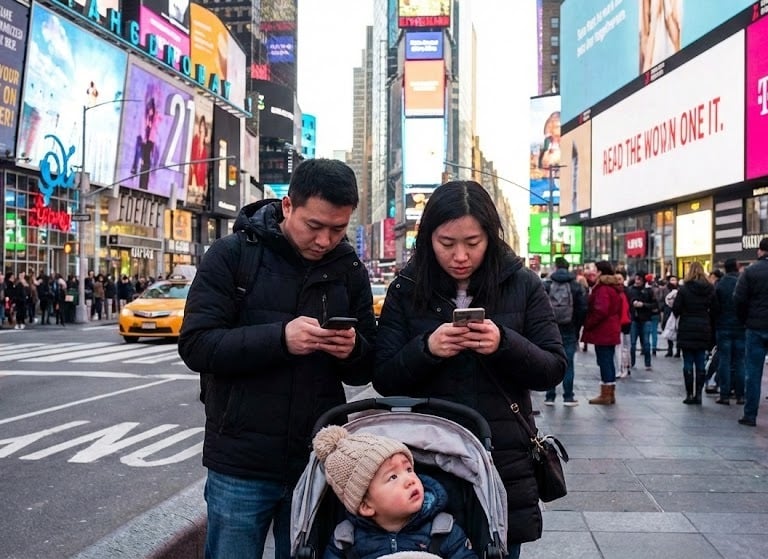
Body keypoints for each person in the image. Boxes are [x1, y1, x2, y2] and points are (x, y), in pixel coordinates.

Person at [178, 158, 377, 559]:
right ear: (288, 206)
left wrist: (352, 348)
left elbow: (369, 364)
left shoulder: (350, 270)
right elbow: (197, 345)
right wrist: (280, 338)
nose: (324, 240)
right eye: (314, 226)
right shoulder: (232, 255)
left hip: (318, 457)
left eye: (338, 230)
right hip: (239, 461)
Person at [373, 180, 566, 559]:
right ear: (427, 238)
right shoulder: (407, 288)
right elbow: (382, 376)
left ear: (490, 237)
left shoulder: (522, 284)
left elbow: (553, 367)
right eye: (446, 243)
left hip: (503, 460)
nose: (460, 255)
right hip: (427, 461)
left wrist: (503, 344)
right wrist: (427, 349)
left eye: (472, 243)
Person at [312, 426, 477, 559]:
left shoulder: (443, 530)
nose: (410, 479)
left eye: (409, 469)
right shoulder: (347, 540)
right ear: (366, 506)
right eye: (392, 477)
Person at [733, 237, 768, 427]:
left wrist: (744, 319)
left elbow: (738, 299)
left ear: (760, 251)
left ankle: (750, 415)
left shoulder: (750, 271)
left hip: (755, 326)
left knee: (753, 373)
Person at [672, 261, 718, 405]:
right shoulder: (710, 289)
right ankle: (699, 394)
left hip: (687, 326)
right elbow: (715, 308)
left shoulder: (684, 289)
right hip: (703, 326)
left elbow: (676, 309)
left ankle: (689, 394)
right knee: (700, 361)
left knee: (687, 362)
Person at [543, 256, 587, 405]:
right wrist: (577, 327)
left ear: (556, 267)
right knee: (568, 362)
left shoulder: (547, 285)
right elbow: (582, 309)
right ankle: (568, 396)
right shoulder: (575, 286)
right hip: (570, 327)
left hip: (550, 328)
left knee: (550, 360)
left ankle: (550, 396)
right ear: (568, 268)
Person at [581, 261, 624, 405]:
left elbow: (601, 310)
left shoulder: (603, 289)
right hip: (611, 329)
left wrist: (589, 322)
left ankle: (606, 394)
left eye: (596, 270)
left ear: (600, 272)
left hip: (604, 330)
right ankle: (609, 392)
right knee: (608, 360)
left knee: (604, 361)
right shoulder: (613, 288)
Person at [713, 258, 745, 406]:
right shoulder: (743, 282)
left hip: (723, 325)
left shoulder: (720, 284)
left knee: (724, 360)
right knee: (740, 362)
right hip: (740, 326)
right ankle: (740, 395)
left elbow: (715, 307)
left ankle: (724, 394)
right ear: (737, 268)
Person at [627, 272, 657, 371]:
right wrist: (633, 303)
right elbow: (627, 303)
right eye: (636, 279)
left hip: (645, 319)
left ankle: (647, 363)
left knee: (646, 342)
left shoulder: (648, 291)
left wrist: (643, 305)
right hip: (634, 319)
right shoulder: (630, 290)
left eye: (639, 279)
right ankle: (632, 362)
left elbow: (654, 305)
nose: (637, 281)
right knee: (632, 343)